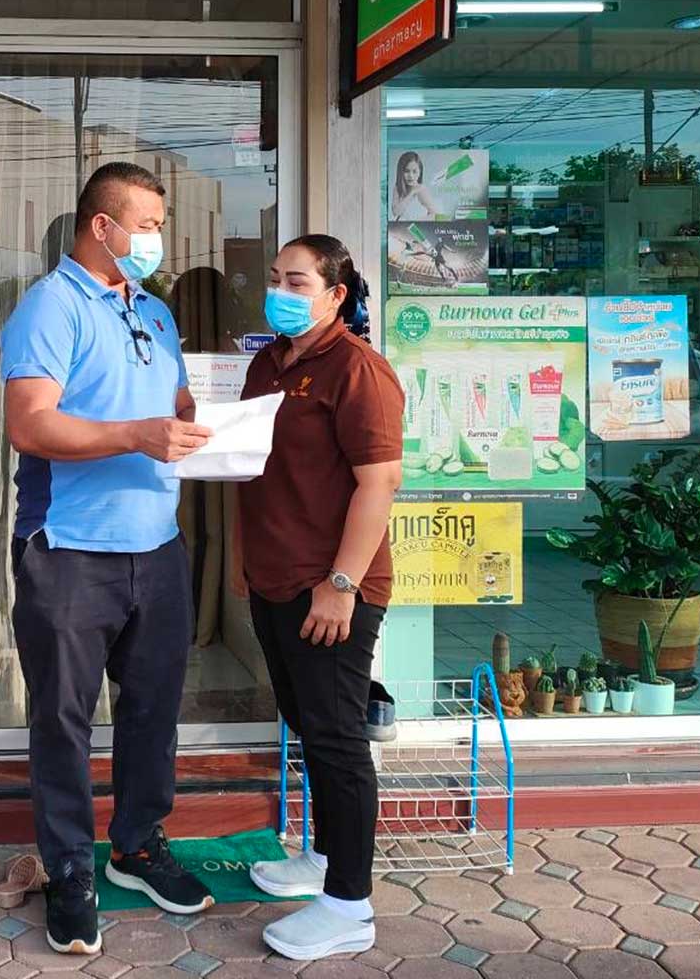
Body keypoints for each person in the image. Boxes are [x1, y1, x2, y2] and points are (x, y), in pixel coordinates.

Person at [0, 162, 217, 956]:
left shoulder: (155, 313)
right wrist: (134, 434)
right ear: (103, 227)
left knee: (154, 706)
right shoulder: (48, 308)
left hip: (155, 546)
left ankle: (136, 844)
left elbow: (175, 407)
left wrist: (229, 404)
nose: (156, 239)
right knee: (62, 720)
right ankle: (68, 869)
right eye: (148, 224)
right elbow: (30, 425)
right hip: (68, 552)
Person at [236, 234, 404, 961]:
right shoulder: (270, 361)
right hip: (274, 578)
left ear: (337, 294)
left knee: (337, 741)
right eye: (275, 278)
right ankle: (324, 861)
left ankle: (350, 905)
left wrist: (340, 586)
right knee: (308, 725)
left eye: (298, 280)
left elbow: (380, 484)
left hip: (332, 589)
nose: (281, 290)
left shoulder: (359, 370)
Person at [391, 150, 441, 221]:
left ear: (420, 172)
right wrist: (411, 193)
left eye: (414, 171)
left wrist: (416, 223)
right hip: (399, 228)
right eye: (407, 171)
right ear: (401, 171)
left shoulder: (421, 190)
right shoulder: (397, 188)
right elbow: (396, 212)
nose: (411, 176)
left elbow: (436, 215)